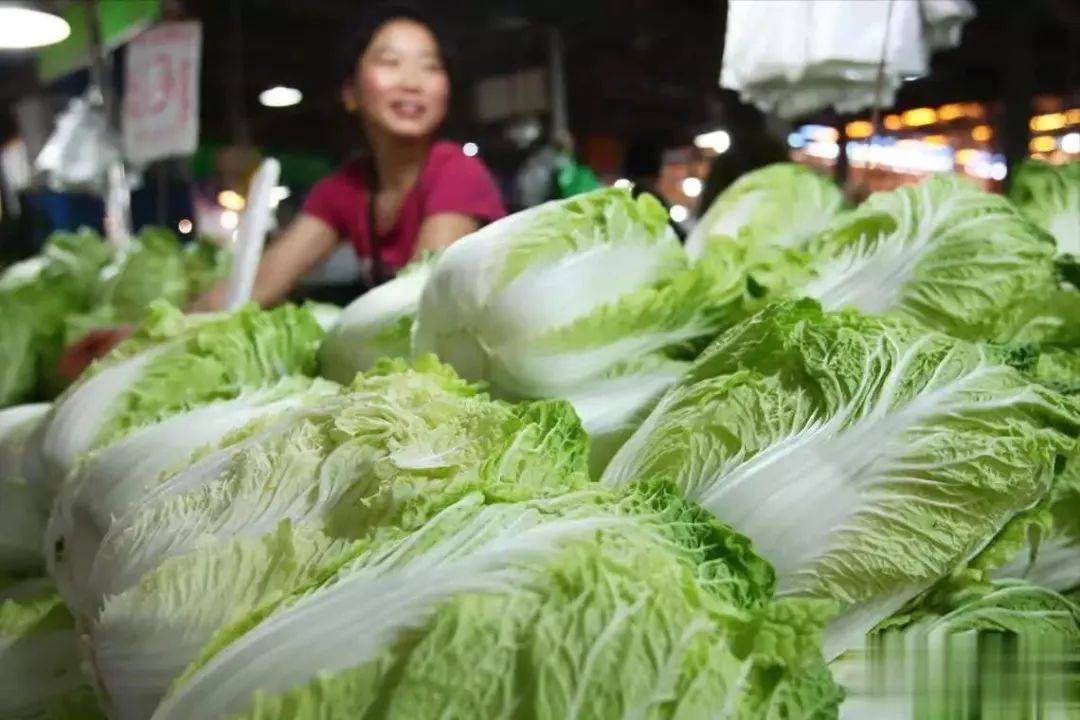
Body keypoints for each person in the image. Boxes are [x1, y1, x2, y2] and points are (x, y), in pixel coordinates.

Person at [60, 3, 505, 379]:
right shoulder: (348, 187)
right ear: (351, 91)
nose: (412, 81)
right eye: (390, 62)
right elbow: (257, 283)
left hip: (482, 373)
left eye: (431, 66)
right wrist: (140, 338)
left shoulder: (457, 174)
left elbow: (419, 302)